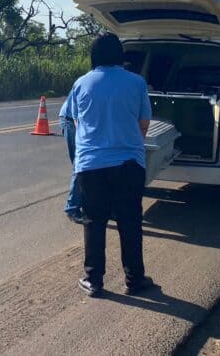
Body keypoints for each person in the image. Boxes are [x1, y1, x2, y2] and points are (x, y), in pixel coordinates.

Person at [67, 33, 155, 297]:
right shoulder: (137, 83)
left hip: (91, 165)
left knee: (94, 221)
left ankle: (94, 281)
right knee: (130, 221)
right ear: (120, 55)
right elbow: (144, 124)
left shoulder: (81, 84)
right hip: (129, 163)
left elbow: (76, 122)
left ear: (93, 56)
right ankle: (135, 280)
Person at [59, 91, 84, 224]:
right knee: (80, 164)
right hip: (71, 120)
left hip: (78, 120)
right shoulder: (89, 83)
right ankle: (72, 208)